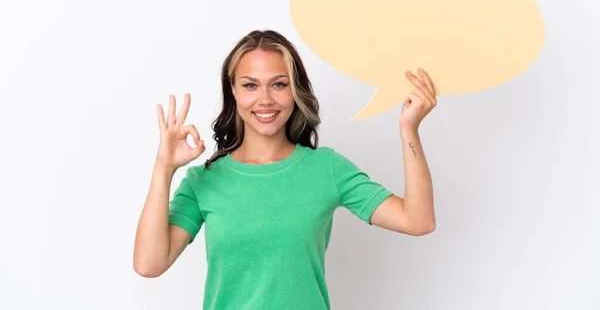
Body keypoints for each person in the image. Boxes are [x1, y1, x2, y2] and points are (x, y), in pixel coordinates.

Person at [133, 29, 437, 309]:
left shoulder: (326, 169)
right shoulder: (204, 180)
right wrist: (164, 169)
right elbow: (149, 264)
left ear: (295, 90)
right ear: (233, 90)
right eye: (250, 85)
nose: (265, 99)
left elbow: (418, 220)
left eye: (279, 84)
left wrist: (409, 128)